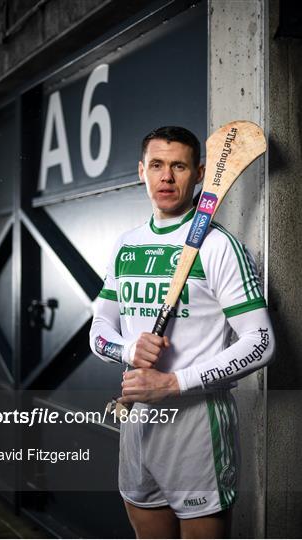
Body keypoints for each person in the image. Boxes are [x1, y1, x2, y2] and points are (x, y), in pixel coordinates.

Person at [89, 126, 275, 539]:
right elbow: (99, 329)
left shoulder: (218, 246)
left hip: (198, 433)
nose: (166, 177)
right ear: (141, 171)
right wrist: (128, 351)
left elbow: (260, 342)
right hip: (138, 426)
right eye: (156, 165)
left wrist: (173, 383)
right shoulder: (126, 246)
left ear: (200, 173)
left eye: (178, 166)